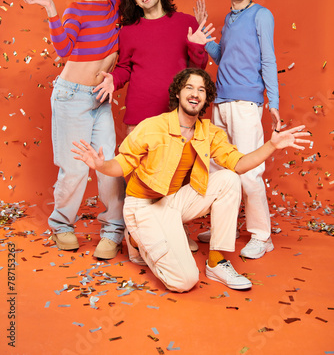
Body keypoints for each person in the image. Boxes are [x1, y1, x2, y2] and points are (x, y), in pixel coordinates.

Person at [72, 68, 310, 292]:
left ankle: (216, 263)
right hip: (143, 206)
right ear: (178, 92)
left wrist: (272, 145)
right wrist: (101, 165)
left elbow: (238, 164)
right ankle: (135, 239)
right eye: (189, 87)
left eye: (201, 90)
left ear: (206, 99)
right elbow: (122, 164)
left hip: (174, 203)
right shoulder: (153, 126)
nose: (195, 93)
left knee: (228, 178)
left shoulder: (209, 133)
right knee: (184, 281)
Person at [17, 0, 146, 260]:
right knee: (75, 168)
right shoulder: (75, 9)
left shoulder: (118, 5)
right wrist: (51, 10)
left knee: (108, 166)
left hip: (99, 99)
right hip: (72, 97)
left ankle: (112, 230)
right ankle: (61, 224)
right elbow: (63, 48)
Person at [198, 0, 281, 259]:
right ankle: (226, 228)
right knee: (221, 170)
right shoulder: (229, 20)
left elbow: (268, 59)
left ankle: (262, 235)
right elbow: (224, 57)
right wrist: (204, 39)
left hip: (247, 104)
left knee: (249, 172)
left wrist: (273, 100)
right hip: (220, 102)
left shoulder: (261, 15)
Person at [93, 0, 215, 135]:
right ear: (135, 2)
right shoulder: (128, 32)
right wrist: (113, 80)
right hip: (140, 116)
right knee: (139, 161)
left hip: (178, 115)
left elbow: (196, 72)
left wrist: (196, 46)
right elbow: (125, 68)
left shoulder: (186, 22)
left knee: (179, 161)